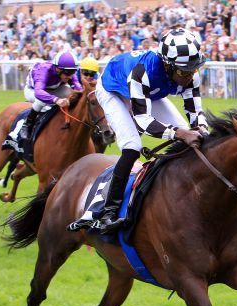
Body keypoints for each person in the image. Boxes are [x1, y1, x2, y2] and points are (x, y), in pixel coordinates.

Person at [67, 28, 207, 233]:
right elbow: (143, 121)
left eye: (192, 70)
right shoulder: (143, 72)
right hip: (113, 90)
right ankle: (108, 211)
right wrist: (178, 133)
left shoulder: (187, 71)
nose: (189, 77)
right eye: (184, 72)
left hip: (146, 91)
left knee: (187, 134)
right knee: (133, 146)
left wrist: (201, 129)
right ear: (167, 66)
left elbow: (195, 112)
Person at [19, 50, 82, 146]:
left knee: (71, 93)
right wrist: (57, 100)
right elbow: (39, 92)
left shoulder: (68, 72)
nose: (70, 76)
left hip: (54, 89)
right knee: (41, 101)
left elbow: (78, 89)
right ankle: (27, 124)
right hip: (33, 90)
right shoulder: (43, 69)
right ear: (58, 69)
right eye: (67, 73)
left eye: (73, 72)